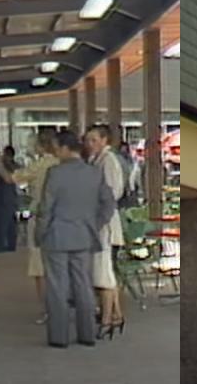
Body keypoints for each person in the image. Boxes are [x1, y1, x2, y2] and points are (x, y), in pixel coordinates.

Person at [36, 131, 116, 348]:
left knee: (57, 287)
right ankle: (87, 333)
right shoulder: (95, 173)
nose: (54, 151)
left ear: (64, 148)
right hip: (84, 235)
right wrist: (94, 223)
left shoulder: (55, 173)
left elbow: (46, 208)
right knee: (83, 285)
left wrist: (39, 234)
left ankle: (59, 336)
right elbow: (108, 204)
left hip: (56, 235)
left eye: (56, 147)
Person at [0, 132, 59, 325]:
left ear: (41, 146)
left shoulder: (39, 165)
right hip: (63, 219)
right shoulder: (63, 164)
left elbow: (10, 178)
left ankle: (47, 309)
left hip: (40, 217)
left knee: (39, 266)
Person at [85, 125, 126, 338]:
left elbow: (113, 192)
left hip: (105, 222)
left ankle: (107, 318)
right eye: (87, 140)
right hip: (98, 220)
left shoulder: (108, 161)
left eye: (93, 140)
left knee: (103, 273)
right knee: (105, 270)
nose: (89, 144)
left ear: (104, 140)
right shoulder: (95, 160)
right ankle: (116, 315)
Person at [0, 146, 21, 252]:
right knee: (9, 224)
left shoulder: (7, 168)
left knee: (4, 224)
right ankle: (9, 245)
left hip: (5, 199)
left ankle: (1, 246)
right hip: (9, 199)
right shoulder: (14, 166)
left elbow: (7, 179)